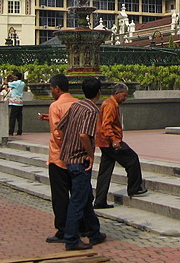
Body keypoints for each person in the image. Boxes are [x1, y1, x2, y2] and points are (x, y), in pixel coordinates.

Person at [57, 78, 107, 251]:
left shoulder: (75, 105)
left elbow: (61, 126)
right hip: (80, 161)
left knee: (85, 198)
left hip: (68, 158)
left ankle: (94, 232)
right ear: (99, 92)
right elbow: (84, 135)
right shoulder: (92, 110)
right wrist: (90, 154)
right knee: (78, 201)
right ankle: (71, 239)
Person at [40, 74, 84, 243]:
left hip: (59, 156)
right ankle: (80, 226)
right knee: (77, 194)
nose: (51, 91)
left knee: (60, 196)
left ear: (57, 88)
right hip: (77, 156)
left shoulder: (55, 106)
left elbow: (58, 133)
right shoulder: (78, 104)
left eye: (51, 88)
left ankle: (63, 229)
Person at [94, 83, 147, 209]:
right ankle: (134, 188)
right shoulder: (110, 105)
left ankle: (100, 200)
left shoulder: (110, 104)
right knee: (132, 159)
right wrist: (114, 140)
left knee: (105, 171)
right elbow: (107, 124)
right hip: (110, 142)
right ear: (117, 93)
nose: (125, 98)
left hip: (105, 142)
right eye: (124, 95)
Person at [6, 71, 25, 136]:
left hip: (14, 102)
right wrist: (12, 76)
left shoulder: (15, 83)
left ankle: (11, 131)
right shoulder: (22, 83)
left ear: (17, 77)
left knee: (12, 117)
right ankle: (20, 130)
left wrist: (7, 77)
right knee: (19, 117)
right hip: (20, 102)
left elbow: (6, 83)